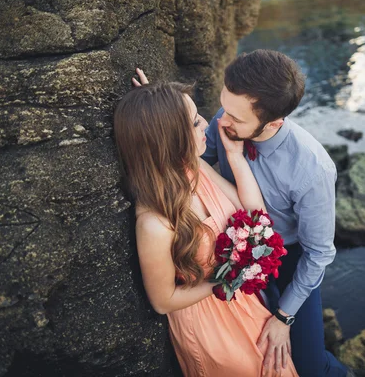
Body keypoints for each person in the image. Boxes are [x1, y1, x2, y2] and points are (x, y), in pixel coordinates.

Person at [114, 80, 298, 377]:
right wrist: (227, 280)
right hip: (209, 325)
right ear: (171, 137)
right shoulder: (155, 223)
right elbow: (163, 301)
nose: (206, 125)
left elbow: (255, 215)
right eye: (195, 121)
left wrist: (156, 102)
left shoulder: (195, 169)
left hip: (243, 305)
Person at [201, 49, 352, 377]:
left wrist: (284, 318)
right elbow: (196, 158)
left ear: (274, 123)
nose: (222, 122)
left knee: (309, 367)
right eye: (224, 107)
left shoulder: (312, 169)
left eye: (236, 119)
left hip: (288, 261)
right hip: (229, 247)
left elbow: (319, 254)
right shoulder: (227, 116)